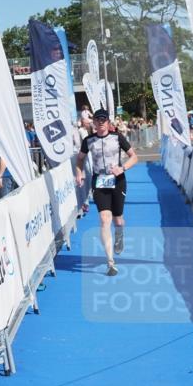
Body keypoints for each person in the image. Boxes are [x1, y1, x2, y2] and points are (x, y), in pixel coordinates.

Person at [75, 108, 138, 276]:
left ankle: (119, 234)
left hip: (118, 181)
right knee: (104, 219)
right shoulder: (88, 141)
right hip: (99, 181)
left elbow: (134, 157)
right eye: (98, 120)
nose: (101, 122)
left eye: (104, 120)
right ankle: (111, 263)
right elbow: (80, 159)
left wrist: (122, 168)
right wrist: (79, 172)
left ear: (108, 122)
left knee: (118, 221)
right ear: (94, 123)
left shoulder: (117, 138)